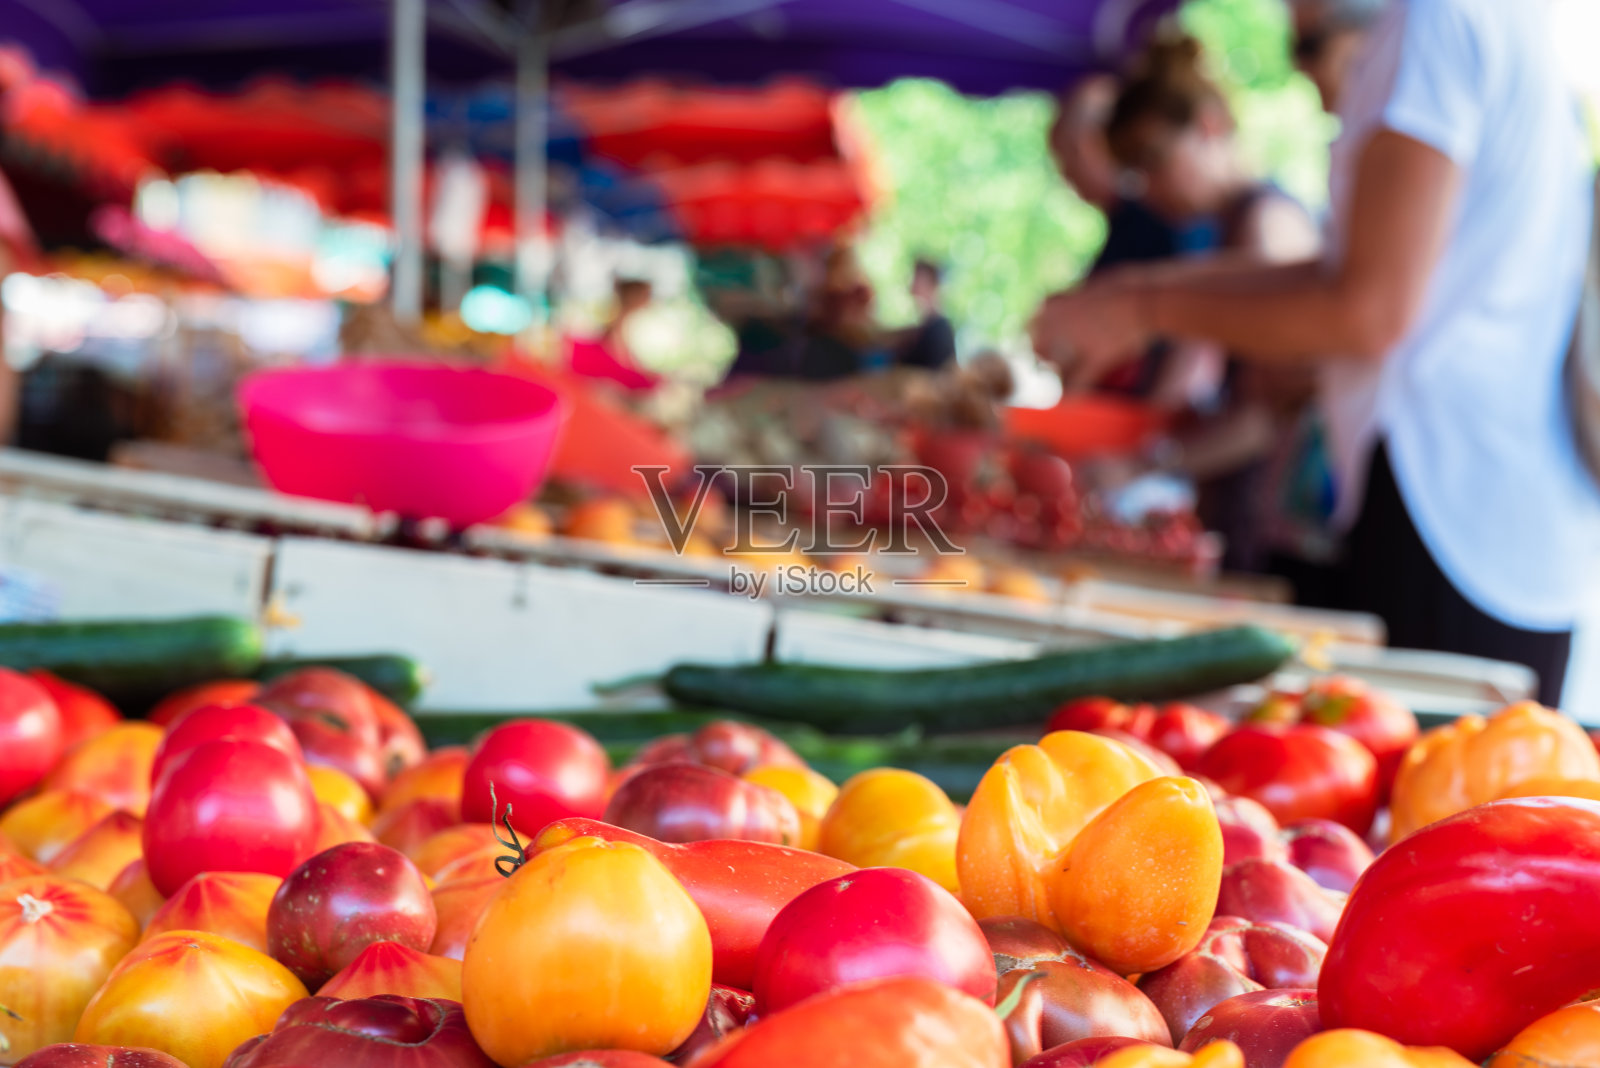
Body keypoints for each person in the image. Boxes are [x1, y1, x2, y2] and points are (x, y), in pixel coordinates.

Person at [1031, 0, 1599, 705]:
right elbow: (1351, 278)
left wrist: (1141, 307)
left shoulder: (1440, 24)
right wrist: (1134, 301)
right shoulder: (1494, 20)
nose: (1306, 68)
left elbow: (1366, 310)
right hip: (1494, 514)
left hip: (1449, 509)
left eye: (1309, 43)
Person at [1102, 36, 1321, 573]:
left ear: (1208, 125)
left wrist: (1144, 464)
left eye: (1153, 161)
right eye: (1133, 173)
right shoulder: (1233, 230)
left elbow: (1269, 415)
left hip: (1282, 531)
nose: (1148, 188)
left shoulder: (1266, 227)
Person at [897, 259, 957, 371]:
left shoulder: (940, 329)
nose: (913, 283)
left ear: (932, 284)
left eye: (919, 279)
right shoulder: (919, 329)